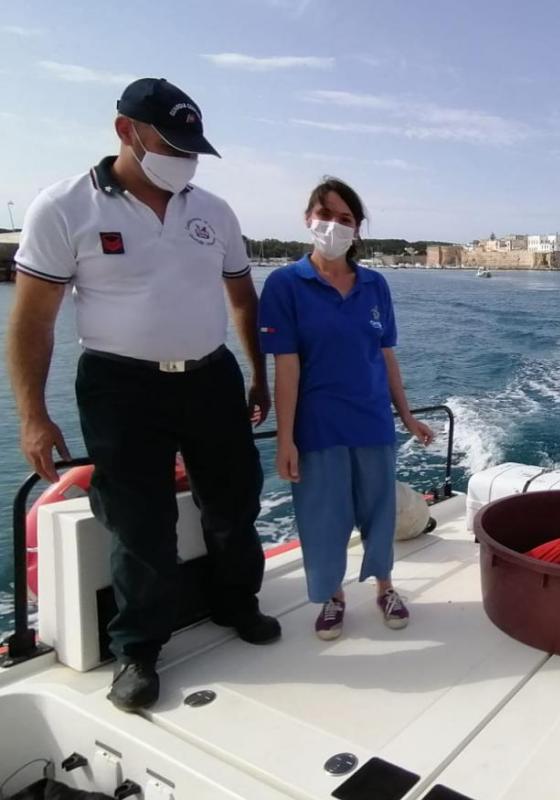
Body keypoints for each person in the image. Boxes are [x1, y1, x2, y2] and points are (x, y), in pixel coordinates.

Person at [7, 78, 282, 712]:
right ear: (125, 131)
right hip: (119, 386)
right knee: (139, 524)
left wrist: (257, 374)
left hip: (210, 377)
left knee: (234, 502)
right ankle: (138, 649)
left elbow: (242, 295)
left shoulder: (213, 211)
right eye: (171, 141)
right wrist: (32, 415)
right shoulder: (65, 207)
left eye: (192, 145)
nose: (183, 157)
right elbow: (31, 321)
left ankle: (236, 602)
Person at [259, 178, 434, 641]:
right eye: (326, 215)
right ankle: (333, 596)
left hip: (372, 421)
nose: (332, 226)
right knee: (323, 516)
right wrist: (285, 439)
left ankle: (386, 588)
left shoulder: (375, 285)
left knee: (379, 511)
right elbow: (287, 368)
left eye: (345, 219)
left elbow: (386, 356)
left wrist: (408, 416)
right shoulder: (284, 285)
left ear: (357, 230)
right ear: (307, 219)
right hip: (317, 427)